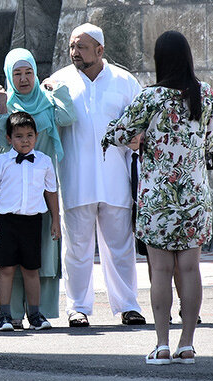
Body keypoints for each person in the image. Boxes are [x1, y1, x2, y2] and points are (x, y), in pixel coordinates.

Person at [103, 30, 213, 364]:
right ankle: (188, 343)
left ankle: (162, 343)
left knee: (161, 269)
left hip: (158, 197)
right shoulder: (205, 93)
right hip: (195, 195)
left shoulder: (150, 97)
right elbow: (209, 143)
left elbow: (118, 132)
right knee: (191, 269)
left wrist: (140, 139)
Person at [46, 22, 147, 327]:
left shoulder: (125, 82)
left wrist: (138, 140)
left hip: (115, 180)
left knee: (120, 248)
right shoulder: (57, 82)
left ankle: (128, 305)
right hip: (75, 179)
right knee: (77, 249)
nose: (74, 52)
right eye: (72, 46)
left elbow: (141, 126)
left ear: (100, 50)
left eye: (82, 47)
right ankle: (78, 308)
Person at [0, 48, 75, 324]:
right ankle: (10, 313)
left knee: (39, 257)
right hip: (12, 190)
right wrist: (2, 106)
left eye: (28, 72)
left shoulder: (48, 101)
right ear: (9, 75)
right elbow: (1, 141)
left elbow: (67, 118)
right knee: (6, 260)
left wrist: (58, 90)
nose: (24, 79)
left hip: (42, 184)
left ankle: (40, 311)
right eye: (17, 73)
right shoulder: (7, 103)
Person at [0, 112, 61, 331]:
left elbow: (52, 193)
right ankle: (5, 316)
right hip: (6, 222)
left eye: (30, 135)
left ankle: (36, 315)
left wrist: (55, 220)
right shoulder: (0, 161)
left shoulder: (44, 162)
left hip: (33, 222)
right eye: (19, 136)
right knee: (6, 269)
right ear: (9, 138)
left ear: (36, 137)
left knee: (31, 270)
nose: (25, 140)